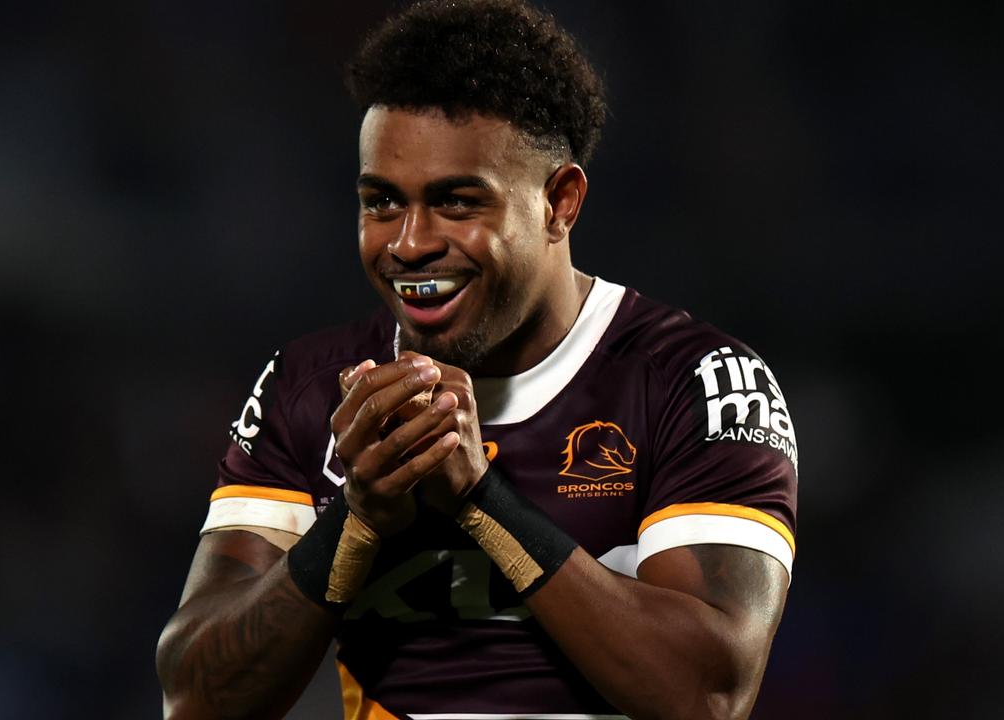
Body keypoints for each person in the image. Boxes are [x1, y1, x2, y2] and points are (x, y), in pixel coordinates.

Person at [156, 1, 798, 718]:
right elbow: (195, 698)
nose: (408, 244)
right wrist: (358, 519)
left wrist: (479, 499)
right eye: (382, 203)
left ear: (561, 201)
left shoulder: (694, 382)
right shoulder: (309, 389)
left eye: (457, 203)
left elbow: (707, 695)